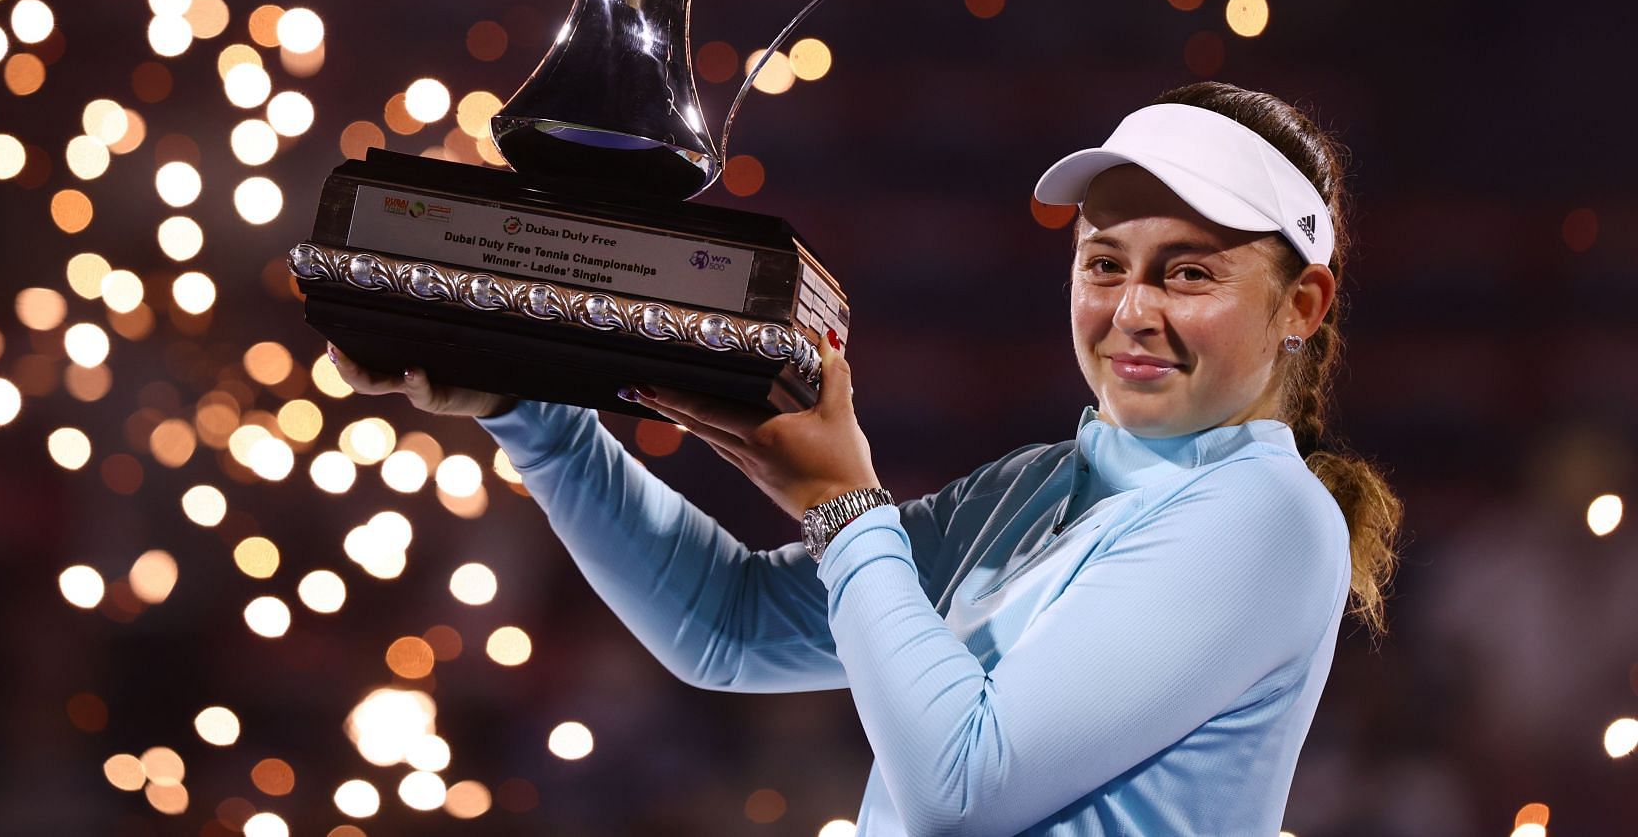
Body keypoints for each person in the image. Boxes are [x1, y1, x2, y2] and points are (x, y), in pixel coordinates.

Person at [328, 81, 1402, 836]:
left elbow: (961, 791)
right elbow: (728, 625)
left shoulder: (1267, 513)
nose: (1130, 310)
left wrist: (846, 507)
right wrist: (537, 413)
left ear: (1300, 303)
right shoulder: (1041, 484)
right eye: (1105, 261)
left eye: (1188, 272)